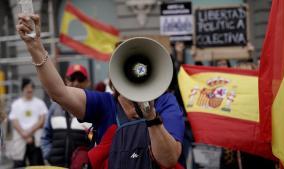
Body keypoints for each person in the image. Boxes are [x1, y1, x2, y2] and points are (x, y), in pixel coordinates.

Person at [16, 14, 184, 168]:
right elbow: (59, 92)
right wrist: (35, 46)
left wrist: (151, 118)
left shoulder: (165, 102)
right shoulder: (105, 103)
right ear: (115, 77)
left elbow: (168, 159)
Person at [41, 64, 92, 167]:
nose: (76, 83)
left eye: (80, 79)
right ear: (66, 80)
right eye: (72, 78)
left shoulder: (93, 107)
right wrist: (48, 155)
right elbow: (45, 135)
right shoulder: (54, 107)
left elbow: (97, 141)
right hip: (56, 166)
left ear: (87, 82)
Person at [7, 78, 47, 167]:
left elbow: (42, 120)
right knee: (19, 164)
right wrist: (24, 134)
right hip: (20, 139)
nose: (29, 90)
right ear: (22, 89)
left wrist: (29, 132)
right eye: (27, 87)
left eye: (31, 87)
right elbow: (14, 121)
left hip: (35, 139)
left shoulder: (39, 103)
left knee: (37, 165)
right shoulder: (16, 104)